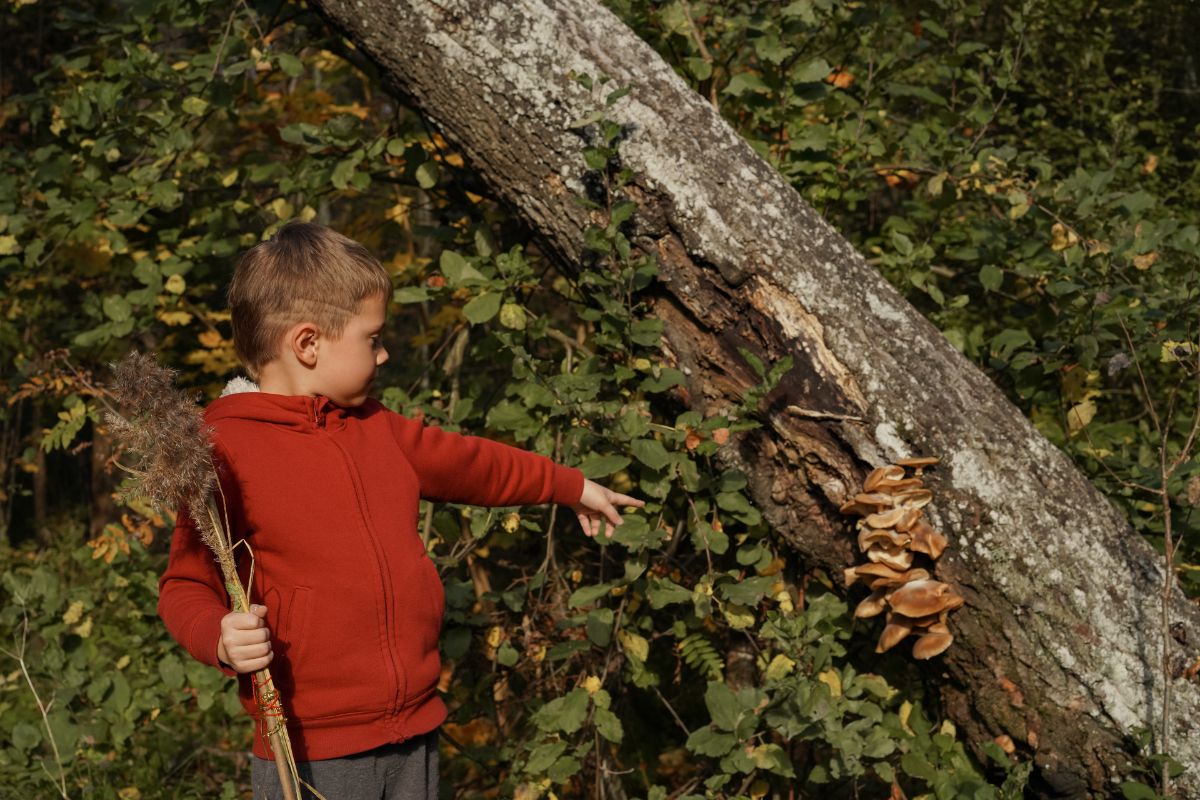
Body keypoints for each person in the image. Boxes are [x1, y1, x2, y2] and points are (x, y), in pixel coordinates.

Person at [156, 220, 643, 799]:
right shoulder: (221, 451)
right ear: (307, 344)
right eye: (372, 338)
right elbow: (184, 584)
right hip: (311, 747)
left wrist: (569, 484)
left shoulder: (376, 429)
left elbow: (473, 465)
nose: (384, 353)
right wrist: (218, 636)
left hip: (414, 726)